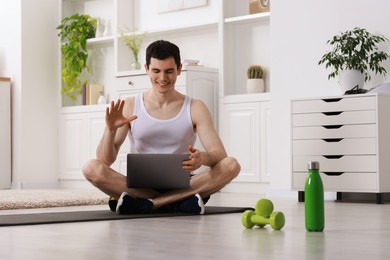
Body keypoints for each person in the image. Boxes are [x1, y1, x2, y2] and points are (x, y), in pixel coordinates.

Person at [82, 40, 240, 215]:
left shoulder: (195, 107)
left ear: (179, 69)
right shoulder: (130, 105)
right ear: (147, 69)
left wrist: (202, 158)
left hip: (185, 184)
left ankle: (150, 204)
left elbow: (220, 155)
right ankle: (178, 202)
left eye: (169, 71)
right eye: (156, 71)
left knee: (231, 165)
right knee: (91, 167)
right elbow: (105, 161)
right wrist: (109, 130)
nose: (163, 78)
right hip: (142, 186)